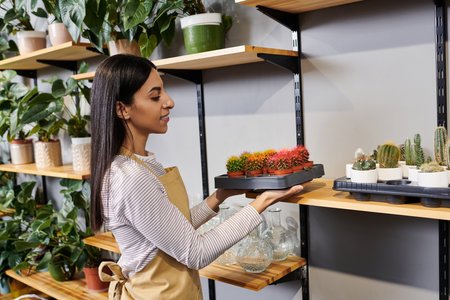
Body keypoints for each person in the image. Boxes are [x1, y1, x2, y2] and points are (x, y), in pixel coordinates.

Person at [89, 54, 304, 300]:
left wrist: (219, 197)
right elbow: (195, 252)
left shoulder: (139, 164)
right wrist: (262, 202)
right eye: (155, 95)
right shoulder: (130, 178)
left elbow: (173, 231)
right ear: (121, 108)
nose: (169, 102)